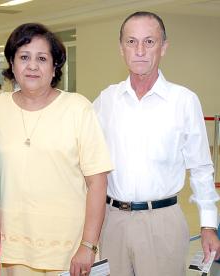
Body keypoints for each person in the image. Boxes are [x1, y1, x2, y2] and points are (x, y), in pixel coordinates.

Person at [93, 11, 220, 276]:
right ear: (121, 48)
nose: (140, 50)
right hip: (112, 221)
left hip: (163, 222)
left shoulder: (184, 101)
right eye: (131, 42)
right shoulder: (106, 101)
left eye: (149, 42)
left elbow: (200, 167)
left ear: (163, 47)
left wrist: (208, 225)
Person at [0, 23, 112, 276]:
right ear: (12, 63)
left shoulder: (77, 108)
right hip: (12, 248)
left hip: (69, 249)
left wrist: (88, 245)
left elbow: (98, 183)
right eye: (24, 57)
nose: (32, 66)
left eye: (42, 58)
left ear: (55, 67)